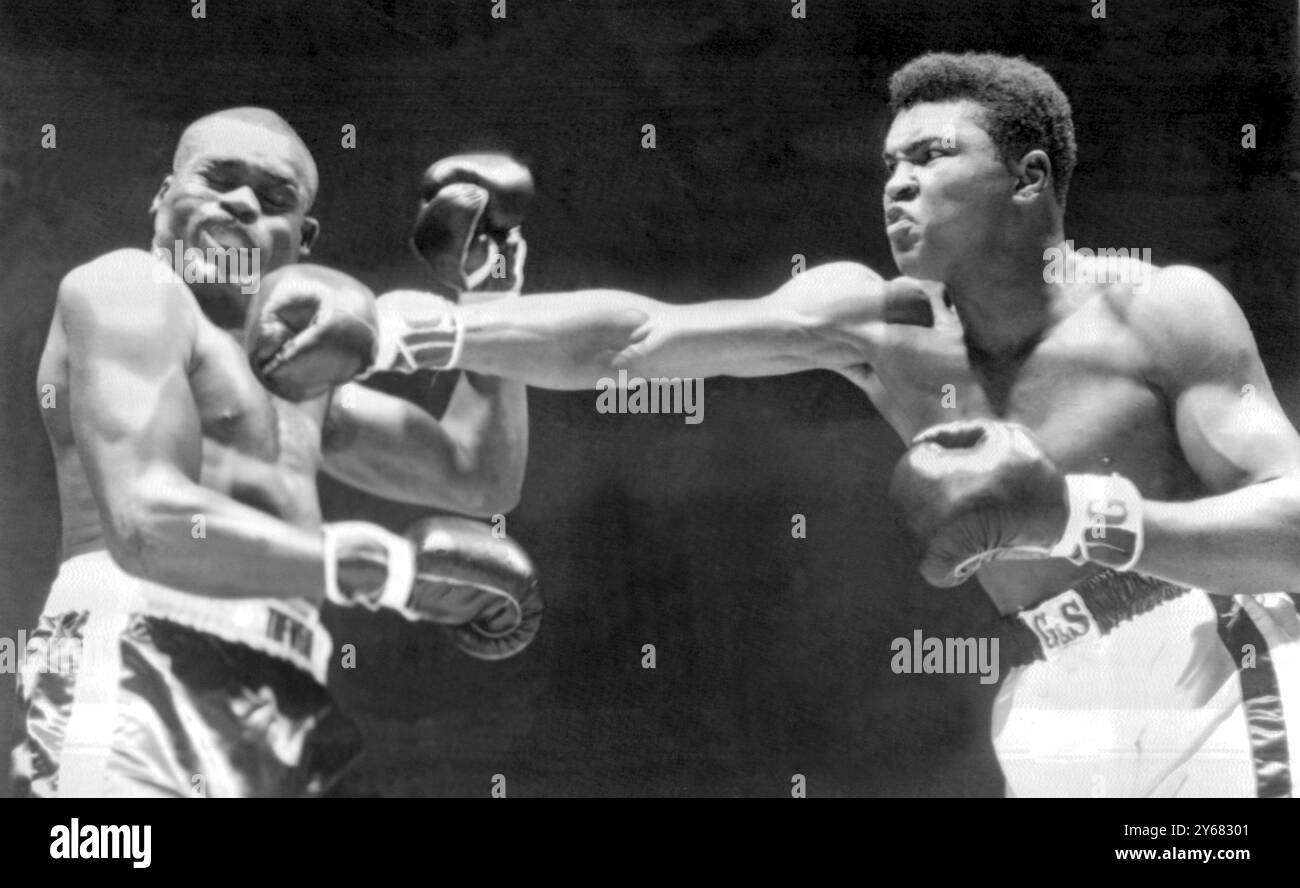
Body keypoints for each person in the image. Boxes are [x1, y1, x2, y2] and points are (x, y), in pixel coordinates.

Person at [335, 53, 1300, 797]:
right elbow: (638, 336)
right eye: (889, 162)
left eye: (931, 156)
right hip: (1054, 687)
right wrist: (405, 330)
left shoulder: (1162, 310)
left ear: (1029, 177)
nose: (897, 182)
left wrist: (1076, 514)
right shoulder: (877, 322)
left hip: (1211, 655)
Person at [16, 107, 542, 798]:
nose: (238, 202)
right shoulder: (124, 290)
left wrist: (489, 296)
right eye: (216, 180)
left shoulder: (302, 380)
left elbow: (480, 474)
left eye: (272, 199)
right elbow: (147, 520)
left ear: (303, 240)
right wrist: (374, 569)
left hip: (286, 688)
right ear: (162, 196)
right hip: (135, 654)